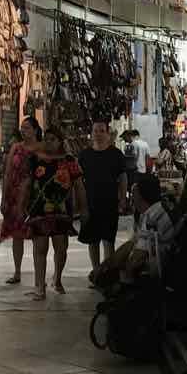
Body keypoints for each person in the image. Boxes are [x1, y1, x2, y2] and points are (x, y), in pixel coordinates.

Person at [20, 126, 82, 300]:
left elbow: (79, 185)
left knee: (61, 248)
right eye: (46, 139)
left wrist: (82, 207)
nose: (48, 142)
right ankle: (39, 286)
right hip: (38, 208)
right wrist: (22, 204)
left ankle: (57, 278)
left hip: (62, 210)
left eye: (52, 139)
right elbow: (26, 183)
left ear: (60, 142)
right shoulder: (34, 159)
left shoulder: (69, 160)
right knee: (40, 247)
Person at [78, 120, 130, 285]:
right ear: (91, 133)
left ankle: (107, 274)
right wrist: (80, 204)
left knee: (108, 240)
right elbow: (78, 181)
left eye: (101, 131)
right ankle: (96, 272)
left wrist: (123, 199)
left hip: (109, 203)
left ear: (108, 134)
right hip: (90, 203)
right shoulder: (84, 155)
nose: (98, 134)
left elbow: (123, 178)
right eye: (95, 131)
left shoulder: (116, 155)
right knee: (92, 241)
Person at [0, 116, 42, 286]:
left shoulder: (42, 148)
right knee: (17, 235)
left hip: (35, 195)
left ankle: (40, 275)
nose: (24, 131)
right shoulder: (16, 148)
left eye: (27, 128)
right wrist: (4, 197)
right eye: (22, 128)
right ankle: (17, 272)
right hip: (15, 195)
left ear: (35, 130)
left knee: (38, 236)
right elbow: (8, 172)